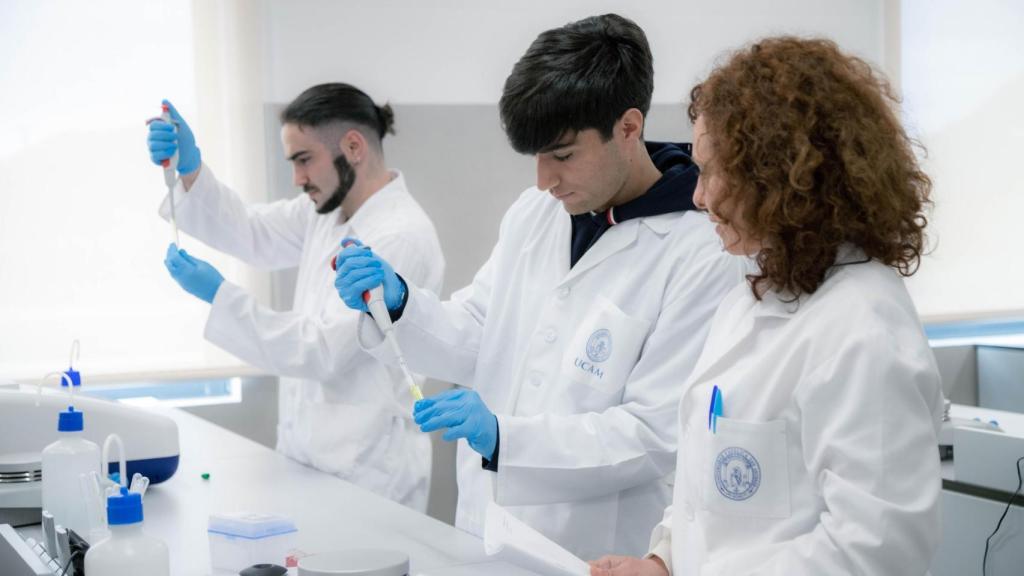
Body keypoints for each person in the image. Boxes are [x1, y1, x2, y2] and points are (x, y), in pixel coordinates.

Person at [333, 14, 742, 559]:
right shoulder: (536, 213)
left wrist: (506, 439)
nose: (543, 180)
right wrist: (401, 304)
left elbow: (652, 435)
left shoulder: (699, 251)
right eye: (536, 157)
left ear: (628, 127)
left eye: (564, 155)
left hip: (589, 551)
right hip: (481, 531)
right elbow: (479, 327)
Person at [590, 36, 943, 576]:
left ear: (780, 174)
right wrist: (664, 559)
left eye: (710, 172)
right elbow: (710, 492)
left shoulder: (863, 330)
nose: (697, 197)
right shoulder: (754, 293)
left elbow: (875, 553)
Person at [146, 84, 445, 512]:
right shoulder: (325, 212)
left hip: (369, 471)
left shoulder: (401, 237)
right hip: (310, 457)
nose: (297, 178)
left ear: (354, 146)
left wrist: (220, 296)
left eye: (304, 160)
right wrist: (191, 171)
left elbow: (323, 348)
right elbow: (251, 231)